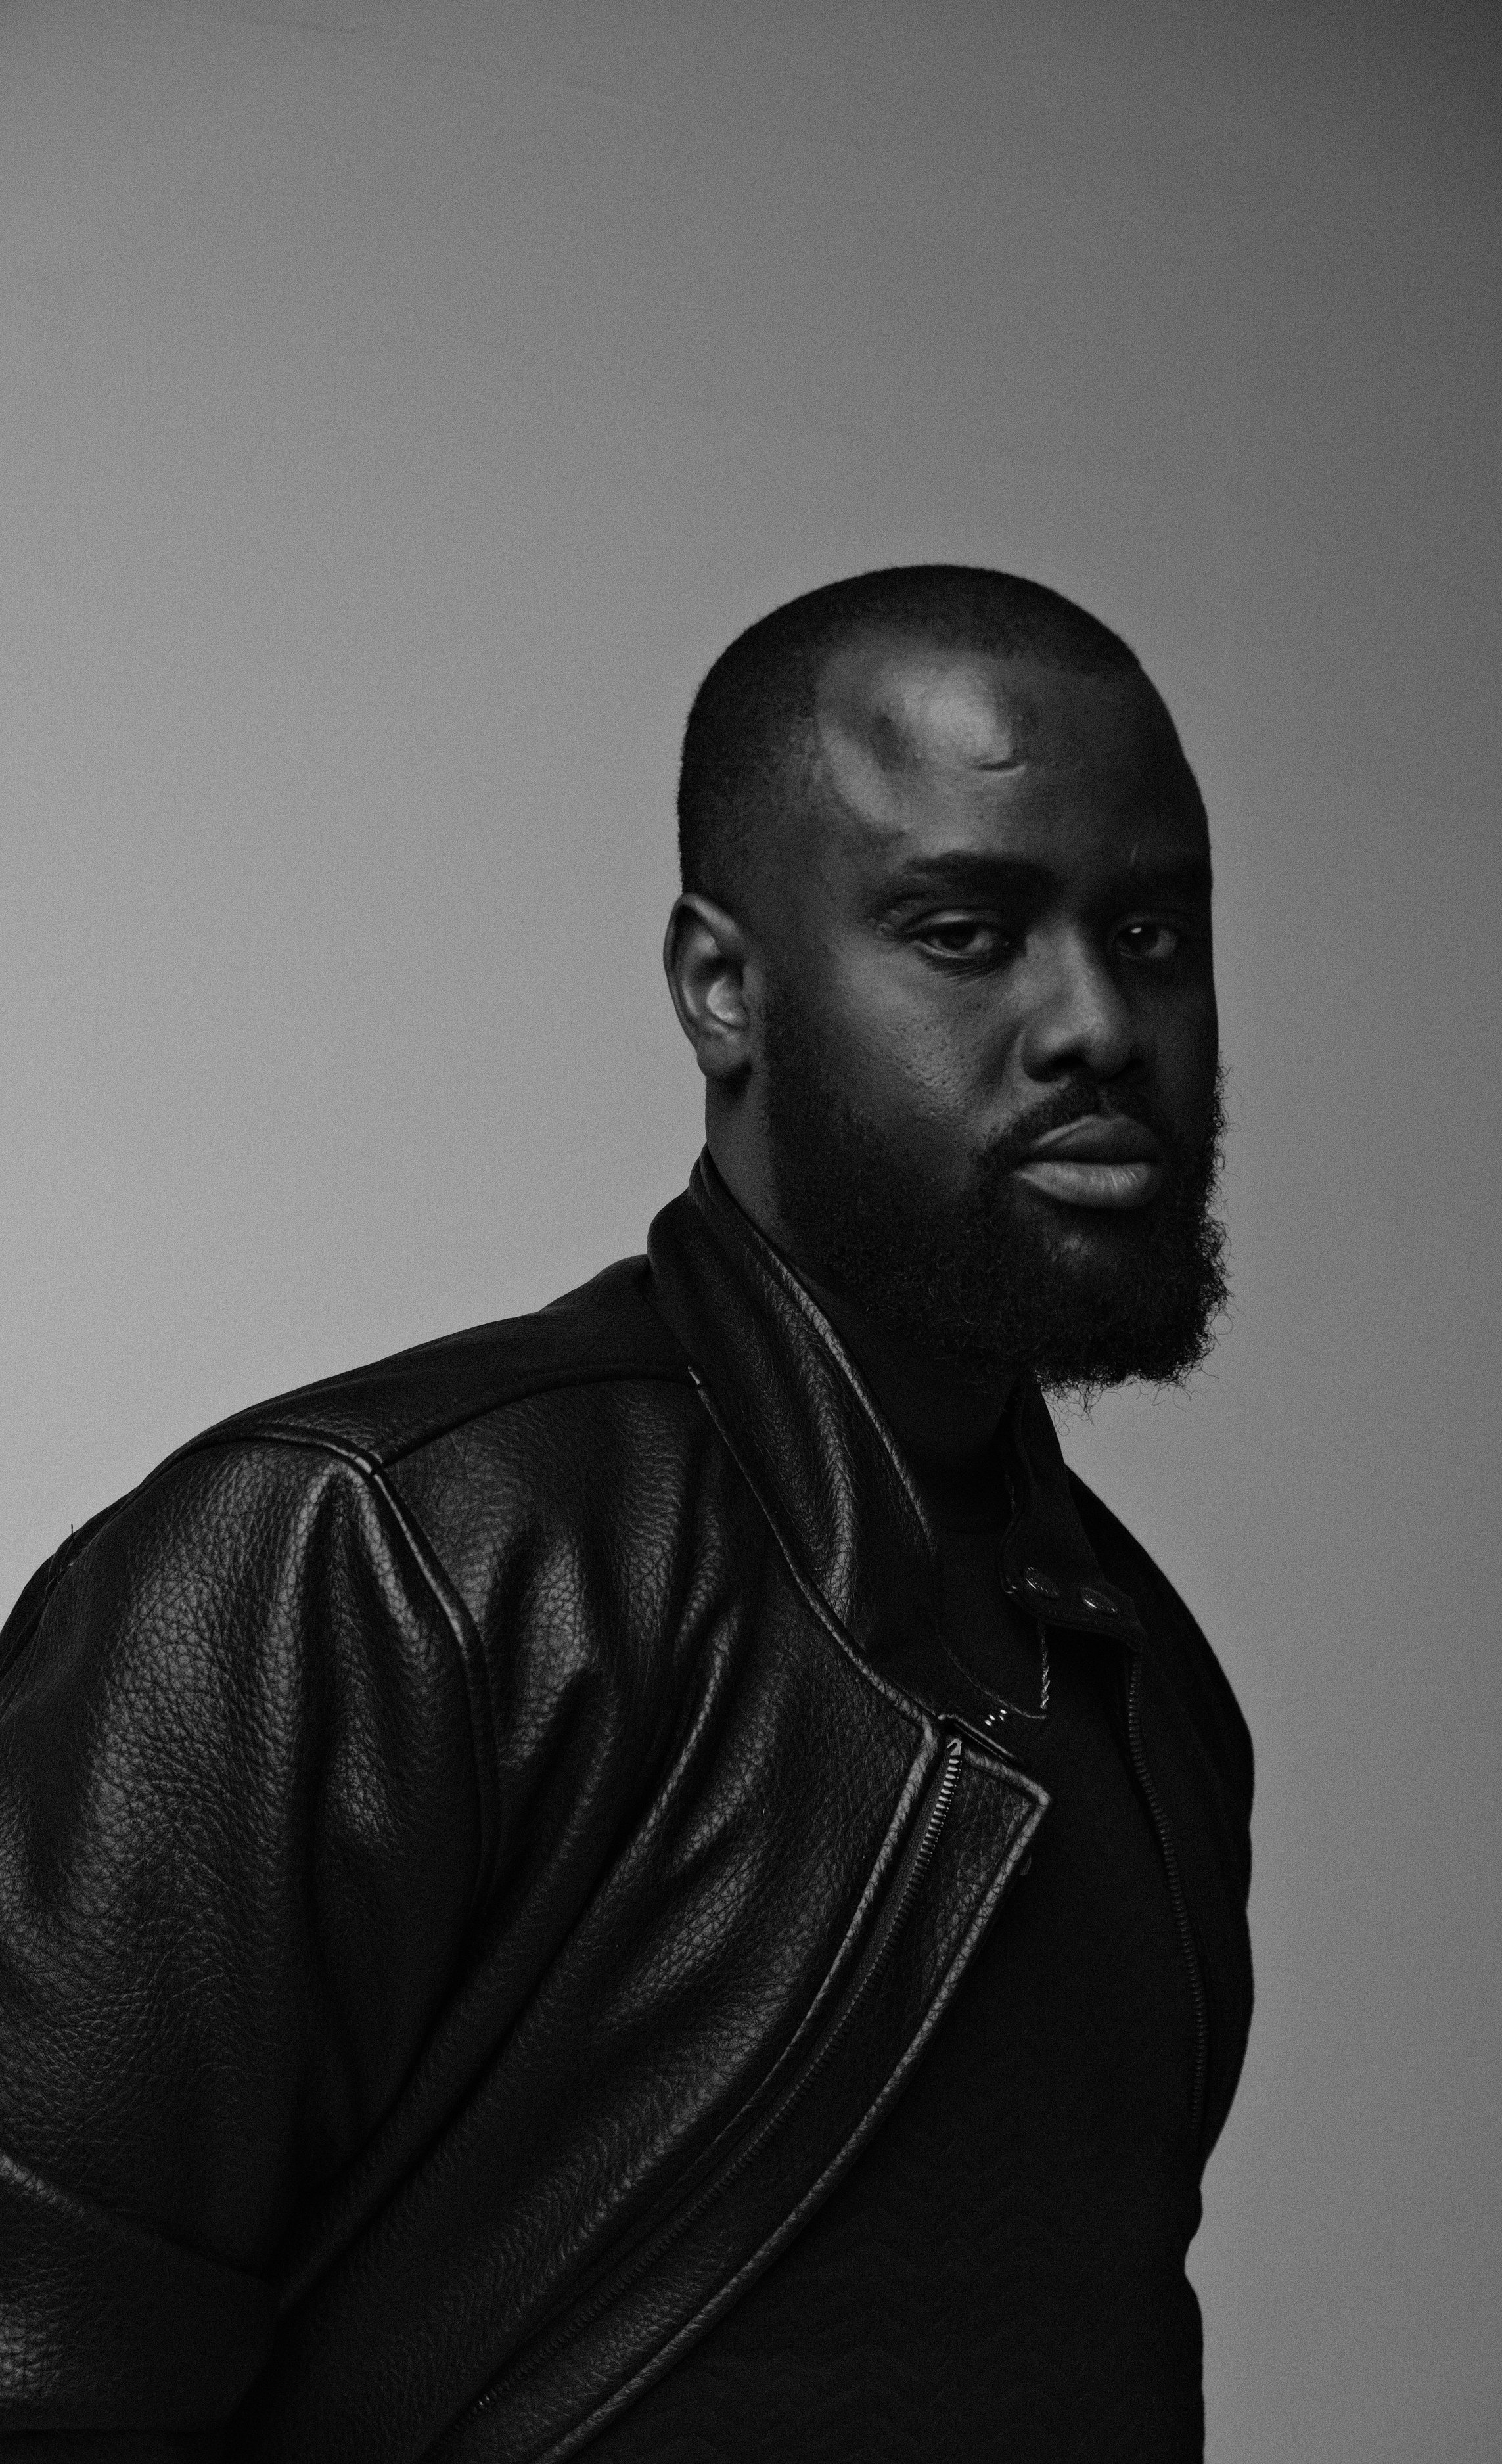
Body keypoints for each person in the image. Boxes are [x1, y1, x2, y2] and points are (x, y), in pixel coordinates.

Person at [0, 565, 1254, 2462]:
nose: (1096, 1020)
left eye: (1151, 930)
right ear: (719, 985)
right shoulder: (370, 1559)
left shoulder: (1146, 1687)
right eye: (963, 930)